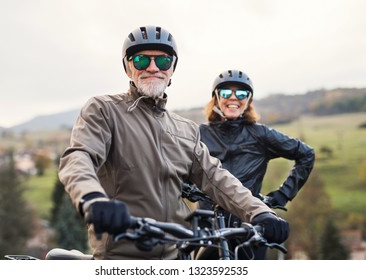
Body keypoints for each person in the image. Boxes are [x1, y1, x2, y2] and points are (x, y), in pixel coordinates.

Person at [58, 26, 289, 260]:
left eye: (163, 61)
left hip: (179, 254)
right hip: (122, 256)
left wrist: (260, 212)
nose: (153, 68)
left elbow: (217, 178)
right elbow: (79, 157)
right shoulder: (104, 110)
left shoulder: (185, 129)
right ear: (128, 68)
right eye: (140, 60)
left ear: (172, 69)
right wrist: (92, 199)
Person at [197, 69, 315, 259]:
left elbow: (306, 154)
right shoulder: (199, 134)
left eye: (241, 93)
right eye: (226, 92)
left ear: (249, 100)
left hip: (251, 227)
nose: (233, 98)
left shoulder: (260, 134)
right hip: (206, 226)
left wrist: (280, 197)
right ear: (216, 98)